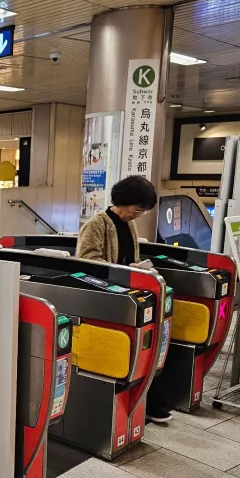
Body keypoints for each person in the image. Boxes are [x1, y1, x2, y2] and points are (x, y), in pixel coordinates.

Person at [76, 175, 170, 422]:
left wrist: (138, 268)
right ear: (124, 201)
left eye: (143, 211)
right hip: (107, 298)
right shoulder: (98, 224)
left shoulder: (129, 224)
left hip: (127, 296)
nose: (138, 215)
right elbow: (85, 261)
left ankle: (147, 402)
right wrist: (125, 269)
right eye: (137, 209)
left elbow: (129, 257)